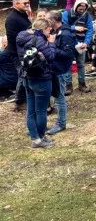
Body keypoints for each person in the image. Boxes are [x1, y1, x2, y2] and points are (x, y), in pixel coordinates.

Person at [16, 19, 57, 149]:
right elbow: (50, 57)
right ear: (42, 29)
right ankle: (39, 139)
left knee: (31, 111)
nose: (50, 31)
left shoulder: (21, 38)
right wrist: (51, 44)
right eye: (48, 29)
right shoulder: (38, 40)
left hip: (27, 77)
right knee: (40, 111)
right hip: (41, 78)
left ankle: (35, 137)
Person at [45, 11, 76, 135]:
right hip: (53, 69)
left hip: (61, 70)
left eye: (47, 19)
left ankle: (61, 123)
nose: (46, 22)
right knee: (54, 97)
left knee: (59, 98)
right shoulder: (54, 32)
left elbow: (68, 54)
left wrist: (51, 46)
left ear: (53, 20)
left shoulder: (66, 34)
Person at [3, 0, 32, 108]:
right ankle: (19, 102)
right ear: (16, 4)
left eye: (27, 2)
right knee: (22, 75)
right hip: (17, 53)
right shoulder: (12, 19)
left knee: (26, 74)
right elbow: (13, 38)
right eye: (24, 3)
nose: (27, 4)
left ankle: (24, 98)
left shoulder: (22, 14)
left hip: (26, 50)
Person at [61, 0, 93, 93]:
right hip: (69, 43)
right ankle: (68, 86)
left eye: (84, 8)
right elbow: (63, 26)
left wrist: (86, 42)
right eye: (80, 7)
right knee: (68, 64)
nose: (82, 10)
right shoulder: (66, 14)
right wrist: (74, 27)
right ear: (76, 6)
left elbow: (90, 30)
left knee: (81, 64)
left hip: (81, 43)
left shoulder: (87, 16)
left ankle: (82, 84)